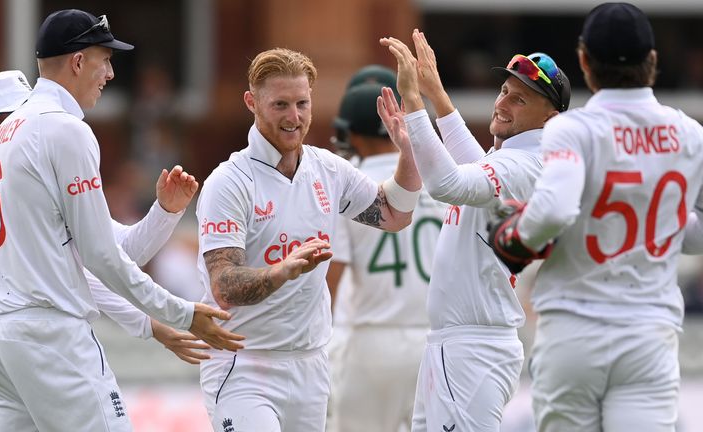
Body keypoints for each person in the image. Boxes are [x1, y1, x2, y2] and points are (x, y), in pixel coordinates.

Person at [0, 10, 244, 432]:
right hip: (50, 336)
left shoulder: (14, 129)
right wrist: (180, 313)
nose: (111, 73)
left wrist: (165, 211)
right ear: (78, 62)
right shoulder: (65, 130)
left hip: (0, 335)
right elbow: (102, 257)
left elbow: (116, 249)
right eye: (105, 60)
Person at [0, 70, 213, 432]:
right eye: (19, 118)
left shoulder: (44, 190)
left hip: (32, 377)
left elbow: (114, 255)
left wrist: (166, 212)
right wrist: (8, 339)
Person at [488, 3, 703, 431]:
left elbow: (554, 211)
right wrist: (660, 219)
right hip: (649, 334)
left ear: (584, 60)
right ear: (653, 61)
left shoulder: (573, 129)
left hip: (575, 330)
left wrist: (513, 233)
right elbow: (695, 238)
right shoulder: (691, 134)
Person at [195, 47, 422, 432]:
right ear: (252, 102)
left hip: (310, 364)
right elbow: (224, 287)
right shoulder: (229, 182)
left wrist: (409, 148)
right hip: (244, 364)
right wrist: (280, 271)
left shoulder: (328, 169)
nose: (294, 117)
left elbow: (396, 214)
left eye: (302, 103)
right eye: (280, 104)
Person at [380, 30, 570, 431]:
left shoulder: (526, 164)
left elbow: (448, 184)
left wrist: (415, 100)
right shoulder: (511, 154)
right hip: (458, 345)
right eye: (503, 90)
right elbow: (469, 165)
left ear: (550, 117)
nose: (502, 103)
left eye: (520, 99)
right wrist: (438, 95)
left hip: (474, 348)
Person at [325, 66, 447, 432]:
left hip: (369, 339)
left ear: (352, 134)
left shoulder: (345, 181)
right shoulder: (444, 177)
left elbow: (331, 276)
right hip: (435, 339)